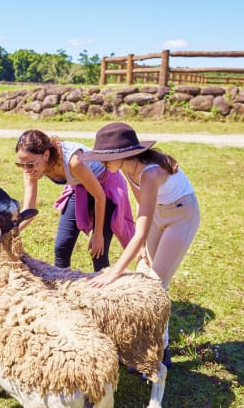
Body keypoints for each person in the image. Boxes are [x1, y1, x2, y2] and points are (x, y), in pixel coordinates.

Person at [82, 122, 200, 368]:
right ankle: (144, 348)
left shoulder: (151, 173)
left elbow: (141, 228)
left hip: (182, 215)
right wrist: (144, 248)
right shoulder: (126, 168)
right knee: (146, 278)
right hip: (157, 214)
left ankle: (160, 354)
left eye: (105, 158)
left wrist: (114, 273)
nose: (102, 164)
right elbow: (141, 208)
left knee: (157, 287)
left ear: (123, 154)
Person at [15, 129, 135, 272]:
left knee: (98, 251)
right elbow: (29, 210)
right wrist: (12, 232)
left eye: (29, 164)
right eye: (20, 164)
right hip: (79, 187)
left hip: (105, 187)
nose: (26, 169)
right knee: (61, 246)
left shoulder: (73, 162)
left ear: (46, 155)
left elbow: (100, 197)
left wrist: (98, 235)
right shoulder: (31, 169)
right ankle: (61, 286)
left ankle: (103, 290)